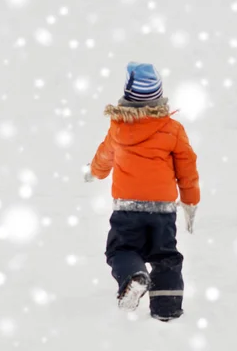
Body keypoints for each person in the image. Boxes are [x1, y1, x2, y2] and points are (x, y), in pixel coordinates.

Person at [85, 62, 200, 320]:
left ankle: (133, 277)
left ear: (127, 95)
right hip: (163, 209)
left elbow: (104, 157)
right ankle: (166, 307)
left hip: (127, 208)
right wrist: (190, 201)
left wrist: (95, 172)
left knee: (122, 250)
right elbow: (187, 167)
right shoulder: (173, 129)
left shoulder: (118, 128)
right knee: (165, 255)